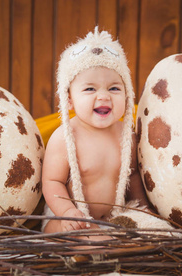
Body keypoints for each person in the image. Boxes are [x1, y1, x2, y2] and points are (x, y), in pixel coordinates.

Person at [41, 27, 148, 234]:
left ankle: (177, 236)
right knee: (75, 235)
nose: (104, 96)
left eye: (114, 88)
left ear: (127, 95)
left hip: (113, 219)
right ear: (69, 100)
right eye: (90, 89)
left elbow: (133, 177)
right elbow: (52, 182)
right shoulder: (65, 138)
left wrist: (145, 212)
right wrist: (67, 212)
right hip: (67, 219)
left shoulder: (127, 136)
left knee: (147, 232)